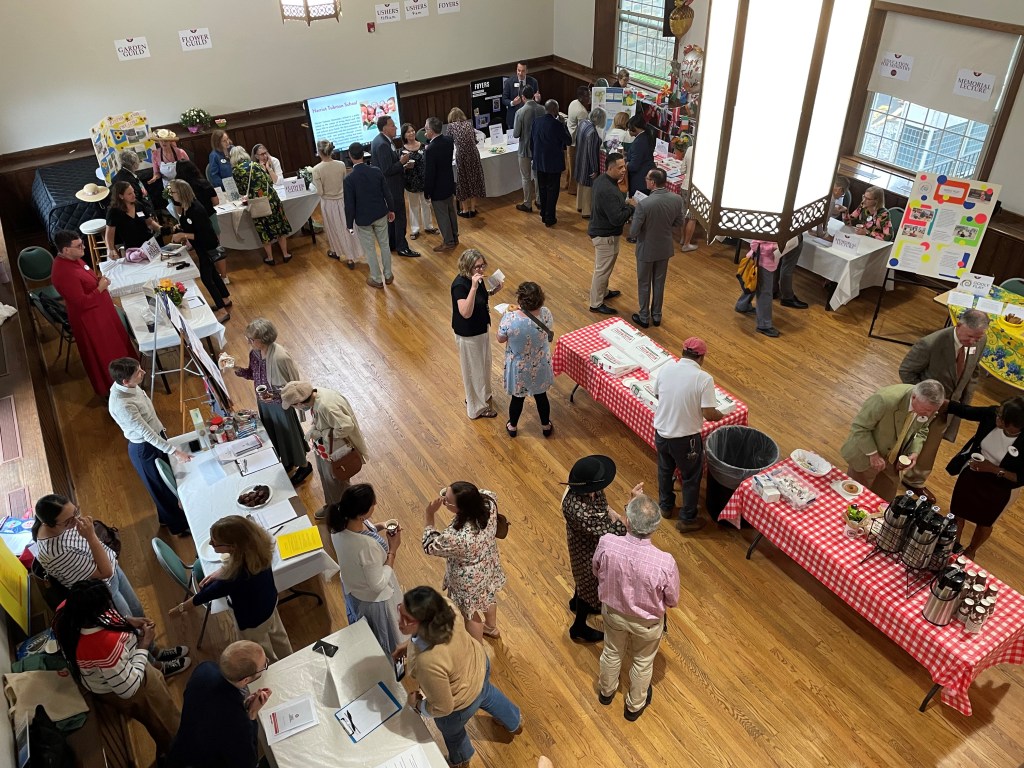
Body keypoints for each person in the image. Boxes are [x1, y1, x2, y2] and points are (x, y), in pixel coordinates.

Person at [392, 586, 522, 768]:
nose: (399, 621)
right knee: (488, 694)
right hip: (479, 665)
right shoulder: (446, 606)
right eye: (401, 609)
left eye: (407, 619)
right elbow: (426, 635)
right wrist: (409, 645)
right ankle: (515, 721)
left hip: (461, 701)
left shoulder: (427, 662)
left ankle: (461, 758)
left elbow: (443, 707)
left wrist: (418, 705)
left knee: (450, 729)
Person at [53, 580, 186, 756]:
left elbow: (104, 620)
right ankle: (176, 755)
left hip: (124, 668)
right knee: (165, 724)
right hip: (132, 684)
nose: (111, 607)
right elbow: (128, 689)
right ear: (97, 613)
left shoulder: (69, 610)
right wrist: (144, 645)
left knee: (164, 718)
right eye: (107, 606)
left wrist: (126, 621)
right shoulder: (103, 646)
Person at [592, 494, 679, 721]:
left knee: (611, 651)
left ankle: (606, 692)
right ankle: (634, 706)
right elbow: (672, 600)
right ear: (655, 527)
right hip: (647, 623)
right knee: (642, 662)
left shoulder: (607, 543)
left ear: (627, 521)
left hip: (613, 613)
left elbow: (596, 570)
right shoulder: (665, 562)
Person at [171, 516, 292, 663]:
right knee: (280, 638)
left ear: (233, 547)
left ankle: (275, 668)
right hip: (271, 604)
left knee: (261, 651)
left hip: (252, 621)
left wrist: (180, 608)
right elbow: (237, 564)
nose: (211, 543)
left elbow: (204, 595)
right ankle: (291, 659)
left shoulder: (234, 578)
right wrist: (224, 570)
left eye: (215, 542)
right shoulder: (260, 550)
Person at [898, 309, 989, 492]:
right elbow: (906, 371)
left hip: (949, 408)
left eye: (977, 338)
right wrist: (925, 399)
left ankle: (914, 480)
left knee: (930, 447)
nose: (973, 341)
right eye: (970, 336)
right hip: (923, 406)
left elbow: (973, 372)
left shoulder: (980, 340)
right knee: (905, 440)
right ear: (959, 325)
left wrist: (963, 405)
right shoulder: (930, 343)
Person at [107, 357, 192, 536]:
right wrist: (175, 452)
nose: (143, 372)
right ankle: (179, 526)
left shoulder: (130, 385)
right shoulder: (122, 405)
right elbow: (146, 434)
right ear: (125, 381)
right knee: (163, 488)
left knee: (165, 482)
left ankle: (166, 518)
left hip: (155, 437)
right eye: (138, 372)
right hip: (144, 448)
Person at [225, 318, 312, 485]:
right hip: (264, 403)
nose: (248, 342)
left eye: (251, 339)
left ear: (263, 339)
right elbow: (252, 374)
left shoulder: (280, 357)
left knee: (289, 435)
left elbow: (295, 387)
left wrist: (276, 396)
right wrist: (235, 367)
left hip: (280, 405)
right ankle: (288, 460)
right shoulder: (254, 353)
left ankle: (304, 465)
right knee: (275, 434)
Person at [33, 494, 147, 622]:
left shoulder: (58, 524)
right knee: (130, 624)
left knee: (137, 611)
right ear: (48, 524)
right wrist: (91, 536)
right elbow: (105, 572)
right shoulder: (57, 554)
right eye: (69, 521)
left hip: (111, 567)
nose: (77, 521)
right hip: (104, 589)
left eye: (76, 512)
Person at [49, 230, 136, 395]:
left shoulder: (74, 258)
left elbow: (86, 279)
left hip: (101, 312)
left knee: (118, 345)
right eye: (78, 246)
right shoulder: (62, 273)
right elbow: (81, 303)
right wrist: (100, 288)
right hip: (90, 320)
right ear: (65, 250)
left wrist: (98, 281)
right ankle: (116, 388)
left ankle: (131, 377)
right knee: (106, 354)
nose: (83, 247)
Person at [653, 337, 726, 533]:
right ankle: (687, 518)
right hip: (685, 440)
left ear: (683, 352)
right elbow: (709, 413)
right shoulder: (704, 379)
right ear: (701, 358)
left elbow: (658, 395)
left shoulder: (667, 368)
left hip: (661, 433)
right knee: (691, 477)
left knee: (665, 470)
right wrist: (721, 414)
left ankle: (665, 506)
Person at [560, 456, 632, 643]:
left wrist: (613, 514)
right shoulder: (577, 508)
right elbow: (609, 532)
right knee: (589, 582)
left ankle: (575, 602)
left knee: (583, 580)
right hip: (586, 550)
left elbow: (603, 509)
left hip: (592, 543)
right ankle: (579, 627)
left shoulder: (591, 490)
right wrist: (630, 509)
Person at [327, 484, 406, 654]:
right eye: (373, 503)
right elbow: (378, 584)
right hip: (374, 600)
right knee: (384, 644)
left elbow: (364, 530)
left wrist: (381, 525)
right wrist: (393, 550)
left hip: (354, 589)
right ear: (361, 515)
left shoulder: (338, 526)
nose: (376, 503)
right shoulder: (367, 547)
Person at [423, 482, 507, 641]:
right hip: (488, 564)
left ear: (461, 508)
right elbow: (483, 492)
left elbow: (429, 546)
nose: (443, 500)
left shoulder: (457, 537)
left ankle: (478, 650)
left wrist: (429, 515)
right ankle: (491, 627)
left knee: (470, 613)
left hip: (468, 581)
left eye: (447, 500)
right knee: (488, 595)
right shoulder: (488, 502)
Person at [166, 640, 271, 768]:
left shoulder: (205, 668)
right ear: (245, 680)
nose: (266, 663)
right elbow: (248, 763)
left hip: (180, 751)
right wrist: (252, 714)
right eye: (264, 666)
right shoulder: (238, 721)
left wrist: (242, 704)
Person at [839, 380, 945, 502]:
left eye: (933, 411)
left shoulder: (928, 406)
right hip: (866, 455)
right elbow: (859, 428)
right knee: (853, 498)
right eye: (926, 410)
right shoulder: (884, 400)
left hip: (894, 462)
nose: (928, 414)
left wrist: (914, 452)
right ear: (914, 397)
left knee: (883, 503)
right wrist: (873, 454)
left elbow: (922, 429)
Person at [945, 397, 1024, 558]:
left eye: (1001, 418)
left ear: (1015, 425)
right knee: (958, 511)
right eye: (998, 414)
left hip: (1001, 487)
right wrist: (942, 403)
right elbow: (966, 411)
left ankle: (971, 551)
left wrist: (994, 469)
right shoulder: (992, 414)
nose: (997, 418)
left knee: (985, 521)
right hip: (973, 473)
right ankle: (952, 544)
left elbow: (1021, 477)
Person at [280, 380, 368, 520]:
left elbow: (346, 427)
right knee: (327, 477)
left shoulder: (325, 406)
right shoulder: (317, 395)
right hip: (325, 447)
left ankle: (342, 511)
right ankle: (332, 504)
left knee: (336, 481)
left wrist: (323, 433)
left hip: (335, 449)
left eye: (293, 405)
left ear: (300, 403)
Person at [167, 180, 231, 322]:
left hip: (207, 246)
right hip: (201, 247)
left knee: (206, 278)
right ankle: (225, 299)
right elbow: (191, 226)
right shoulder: (186, 207)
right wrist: (181, 228)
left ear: (181, 193)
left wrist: (183, 235)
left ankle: (222, 311)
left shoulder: (196, 209)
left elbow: (204, 234)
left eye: (173, 192)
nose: (172, 195)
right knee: (213, 274)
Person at [497, 281, 554, 437]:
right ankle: (546, 426)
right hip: (540, 363)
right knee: (541, 397)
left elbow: (500, 339)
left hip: (519, 367)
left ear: (520, 299)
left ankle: (513, 426)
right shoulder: (546, 313)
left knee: (517, 398)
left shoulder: (510, 318)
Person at [629, 168, 684, 328]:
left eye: (647, 178)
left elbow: (633, 232)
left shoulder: (644, 204)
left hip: (646, 248)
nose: (645, 180)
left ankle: (644, 316)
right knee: (659, 283)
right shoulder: (677, 199)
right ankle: (657, 315)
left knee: (644, 283)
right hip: (664, 247)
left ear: (652, 182)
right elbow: (679, 222)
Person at [451, 249, 502, 420]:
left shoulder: (476, 279)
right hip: (469, 334)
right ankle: (476, 408)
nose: (481, 269)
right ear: (467, 267)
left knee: (484, 365)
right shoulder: (460, 285)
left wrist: (492, 291)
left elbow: (480, 298)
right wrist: (473, 287)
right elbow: (465, 312)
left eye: (482, 265)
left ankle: (482, 395)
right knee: (473, 371)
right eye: (477, 266)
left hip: (481, 329)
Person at [587, 152, 634, 315]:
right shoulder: (608, 190)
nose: (624, 170)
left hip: (604, 232)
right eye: (620, 168)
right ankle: (596, 303)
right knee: (602, 270)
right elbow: (617, 219)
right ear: (610, 168)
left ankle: (603, 292)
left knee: (605, 268)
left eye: (624, 167)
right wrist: (631, 207)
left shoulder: (602, 180)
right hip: (605, 235)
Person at [230, 146, 293, 266]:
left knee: (264, 230)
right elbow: (269, 181)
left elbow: (242, 191)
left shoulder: (235, 171)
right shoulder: (255, 165)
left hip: (257, 203)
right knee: (279, 227)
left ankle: (270, 258)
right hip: (272, 199)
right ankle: (285, 254)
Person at [344, 142, 395, 288]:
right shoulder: (376, 171)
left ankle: (377, 279)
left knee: (370, 249)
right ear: (364, 154)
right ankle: (388, 275)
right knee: (384, 245)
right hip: (380, 213)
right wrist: (391, 209)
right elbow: (387, 192)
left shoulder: (349, 179)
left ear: (350, 156)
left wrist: (349, 224)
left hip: (363, 219)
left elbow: (349, 205)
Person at [371, 116, 420, 257]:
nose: (396, 128)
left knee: (392, 217)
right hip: (392, 187)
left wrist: (401, 166)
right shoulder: (382, 144)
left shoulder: (381, 140)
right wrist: (402, 162)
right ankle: (402, 247)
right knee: (399, 217)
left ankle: (393, 243)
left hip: (390, 186)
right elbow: (387, 170)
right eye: (392, 125)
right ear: (385, 128)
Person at [312, 139, 363, 268]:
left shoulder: (316, 169)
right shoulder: (340, 164)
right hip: (343, 200)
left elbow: (320, 192)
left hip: (329, 203)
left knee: (333, 229)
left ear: (319, 152)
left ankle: (337, 251)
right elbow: (344, 183)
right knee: (348, 227)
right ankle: (351, 256)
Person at [734, 239, 797, 338]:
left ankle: (742, 305)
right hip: (762, 263)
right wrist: (774, 247)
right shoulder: (765, 230)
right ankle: (764, 325)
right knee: (765, 294)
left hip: (766, 262)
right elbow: (754, 244)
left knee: (753, 285)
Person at [531, 100, 572, 227]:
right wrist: (564, 125)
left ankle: (543, 212)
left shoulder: (536, 122)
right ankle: (549, 217)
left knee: (542, 188)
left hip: (539, 161)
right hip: (553, 163)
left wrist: (534, 157)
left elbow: (532, 141)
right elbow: (568, 141)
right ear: (555, 110)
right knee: (552, 190)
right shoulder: (558, 124)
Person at [423, 116, 459, 252]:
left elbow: (430, 173)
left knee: (442, 215)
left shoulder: (430, 149)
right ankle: (455, 237)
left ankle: (448, 241)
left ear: (431, 130)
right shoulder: (448, 140)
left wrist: (427, 191)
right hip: (449, 182)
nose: (425, 131)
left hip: (437, 187)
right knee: (451, 212)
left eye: (426, 129)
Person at [401, 122, 437, 241]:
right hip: (411, 182)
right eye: (408, 132)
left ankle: (428, 226)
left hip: (424, 180)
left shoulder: (423, 146)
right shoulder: (402, 150)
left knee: (426, 203)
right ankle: (415, 229)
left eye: (412, 131)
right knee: (413, 206)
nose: (411, 133)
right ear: (404, 135)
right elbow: (400, 167)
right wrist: (405, 166)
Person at [446, 108, 485, 217]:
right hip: (474, 154)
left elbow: (448, 142)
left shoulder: (451, 126)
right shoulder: (468, 124)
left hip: (462, 155)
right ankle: (472, 209)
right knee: (474, 180)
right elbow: (475, 140)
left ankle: (464, 210)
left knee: (463, 181)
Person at [512, 85, 544, 214]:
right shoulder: (542, 109)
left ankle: (527, 203)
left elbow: (516, 134)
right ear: (534, 95)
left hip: (525, 148)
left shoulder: (520, 112)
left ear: (523, 97)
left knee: (526, 177)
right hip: (539, 148)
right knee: (537, 176)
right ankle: (539, 201)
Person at [104, 181, 161, 253]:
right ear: (121, 196)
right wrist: (111, 250)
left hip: (149, 244)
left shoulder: (138, 205)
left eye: (133, 192)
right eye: (129, 194)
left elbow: (149, 222)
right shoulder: (113, 212)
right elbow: (109, 236)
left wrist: (160, 228)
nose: (134, 195)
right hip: (133, 249)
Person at [574, 106, 605, 219]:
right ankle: (586, 211)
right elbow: (592, 153)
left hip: (579, 158)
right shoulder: (592, 132)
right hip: (587, 163)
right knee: (588, 187)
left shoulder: (583, 123)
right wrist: (595, 169)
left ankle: (579, 205)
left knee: (580, 184)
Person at [565, 85, 591, 195]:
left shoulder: (573, 103)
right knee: (575, 167)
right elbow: (582, 131)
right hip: (575, 142)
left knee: (570, 165)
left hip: (569, 138)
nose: (589, 98)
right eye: (587, 96)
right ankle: (573, 189)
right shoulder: (582, 112)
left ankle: (567, 183)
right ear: (581, 97)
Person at [149, 129, 189, 199]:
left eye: (166, 140)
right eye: (161, 141)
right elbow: (156, 172)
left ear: (170, 141)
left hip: (182, 184)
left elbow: (190, 168)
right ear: (158, 142)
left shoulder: (180, 152)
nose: (163, 143)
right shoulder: (155, 154)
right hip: (168, 187)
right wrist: (155, 177)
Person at [113, 149, 154, 216]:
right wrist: (147, 214)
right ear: (133, 164)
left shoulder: (119, 175)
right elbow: (135, 199)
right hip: (139, 212)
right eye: (138, 160)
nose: (139, 162)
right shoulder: (129, 180)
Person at [772, 235, 808, 309]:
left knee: (777, 261)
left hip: (778, 234)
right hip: (793, 235)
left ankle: (773, 289)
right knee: (787, 267)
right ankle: (787, 297)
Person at [502, 61, 540, 130]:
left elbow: (536, 100)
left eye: (523, 71)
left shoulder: (533, 82)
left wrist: (537, 100)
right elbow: (504, 99)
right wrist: (513, 103)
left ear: (527, 71)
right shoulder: (509, 82)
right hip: (513, 119)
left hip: (529, 118)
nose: (520, 73)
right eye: (518, 70)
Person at [625, 115, 655, 198]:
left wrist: (626, 163)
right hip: (645, 177)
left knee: (637, 204)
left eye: (629, 128)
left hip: (639, 181)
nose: (628, 131)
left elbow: (633, 166)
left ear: (635, 127)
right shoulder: (646, 136)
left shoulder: (639, 142)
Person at [679, 144, 698, 252]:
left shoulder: (690, 148)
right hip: (696, 188)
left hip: (685, 185)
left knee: (684, 214)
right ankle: (687, 244)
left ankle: (683, 238)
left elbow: (682, 169)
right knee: (692, 217)